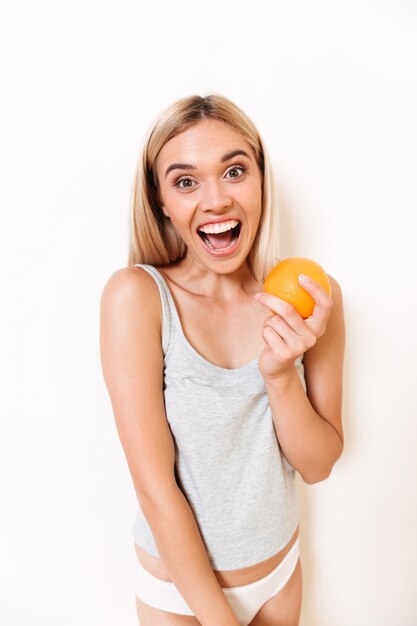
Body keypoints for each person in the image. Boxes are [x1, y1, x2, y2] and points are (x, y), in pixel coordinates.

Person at [99, 94, 345, 626]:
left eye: (235, 171)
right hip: (181, 597)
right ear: (161, 200)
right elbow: (154, 487)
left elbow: (319, 465)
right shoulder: (137, 299)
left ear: (261, 179)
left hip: (280, 577)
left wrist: (280, 377)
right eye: (186, 181)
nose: (216, 201)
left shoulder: (309, 296)